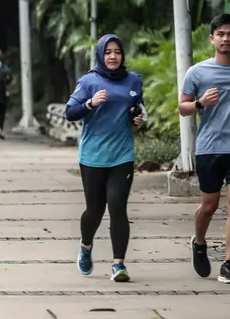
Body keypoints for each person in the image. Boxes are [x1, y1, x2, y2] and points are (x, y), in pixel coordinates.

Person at [179, 13, 230, 284]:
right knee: (209, 206)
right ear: (212, 38)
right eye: (221, 34)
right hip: (209, 147)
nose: (226, 39)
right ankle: (199, 242)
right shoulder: (197, 72)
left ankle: (228, 264)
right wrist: (201, 103)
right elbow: (182, 107)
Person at [65, 34, 145, 282]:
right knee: (95, 210)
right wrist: (90, 103)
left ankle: (118, 264)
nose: (113, 56)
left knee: (118, 206)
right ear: (101, 54)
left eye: (117, 52)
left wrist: (137, 116)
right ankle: (86, 246)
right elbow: (70, 112)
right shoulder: (89, 81)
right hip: (92, 156)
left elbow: (137, 107)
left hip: (122, 155)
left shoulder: (133, 80)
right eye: (108, 52)